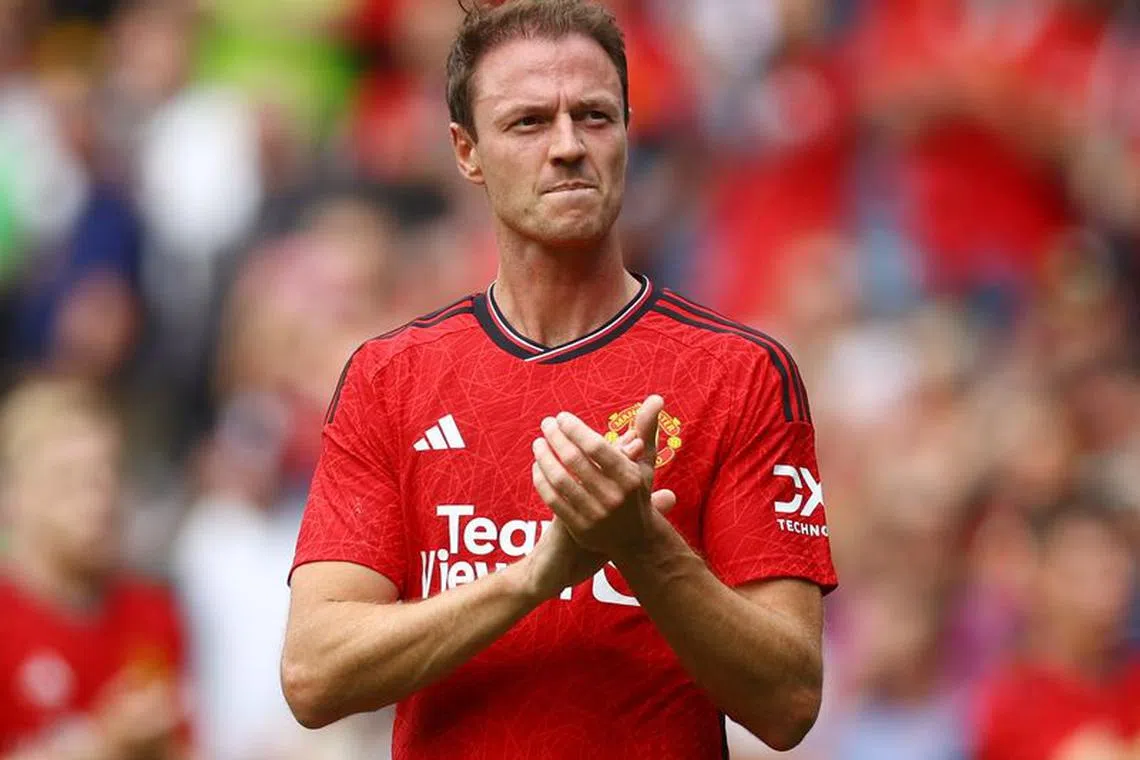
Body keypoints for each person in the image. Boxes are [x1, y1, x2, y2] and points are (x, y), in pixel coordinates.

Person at [281, 2, 837, 757]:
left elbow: (790, 702)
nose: (569, 146)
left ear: (629, 135)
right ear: (466, 152)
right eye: (529, 123)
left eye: (596, 116)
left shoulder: (738, 374)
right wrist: (534, 576)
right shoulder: (392, 378)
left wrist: (642, 544)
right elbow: (314, 675)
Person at [0, 376, 191, 759]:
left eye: (107, 475)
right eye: (68, 479)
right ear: (12, 496)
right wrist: (104, 744)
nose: (97, 499)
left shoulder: (154, 614)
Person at [973, 500, 1140, 760]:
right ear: (1040, 582)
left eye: (1111, 567)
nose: (1108, 588)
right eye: (1082, 572)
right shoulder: (1010, 702)